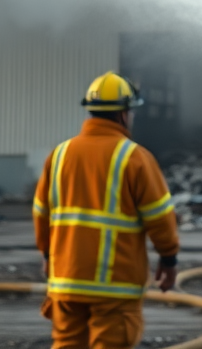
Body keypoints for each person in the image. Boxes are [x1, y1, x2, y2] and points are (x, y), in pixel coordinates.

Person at [34, 71, 179, 349]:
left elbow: (41, 212)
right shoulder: (135, 157)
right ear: (124, 115)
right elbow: (160, 217)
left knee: (67, 344)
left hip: (66, 281)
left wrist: (46, 254)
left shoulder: (59, 155)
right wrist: (168, 258)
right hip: (114, 286)